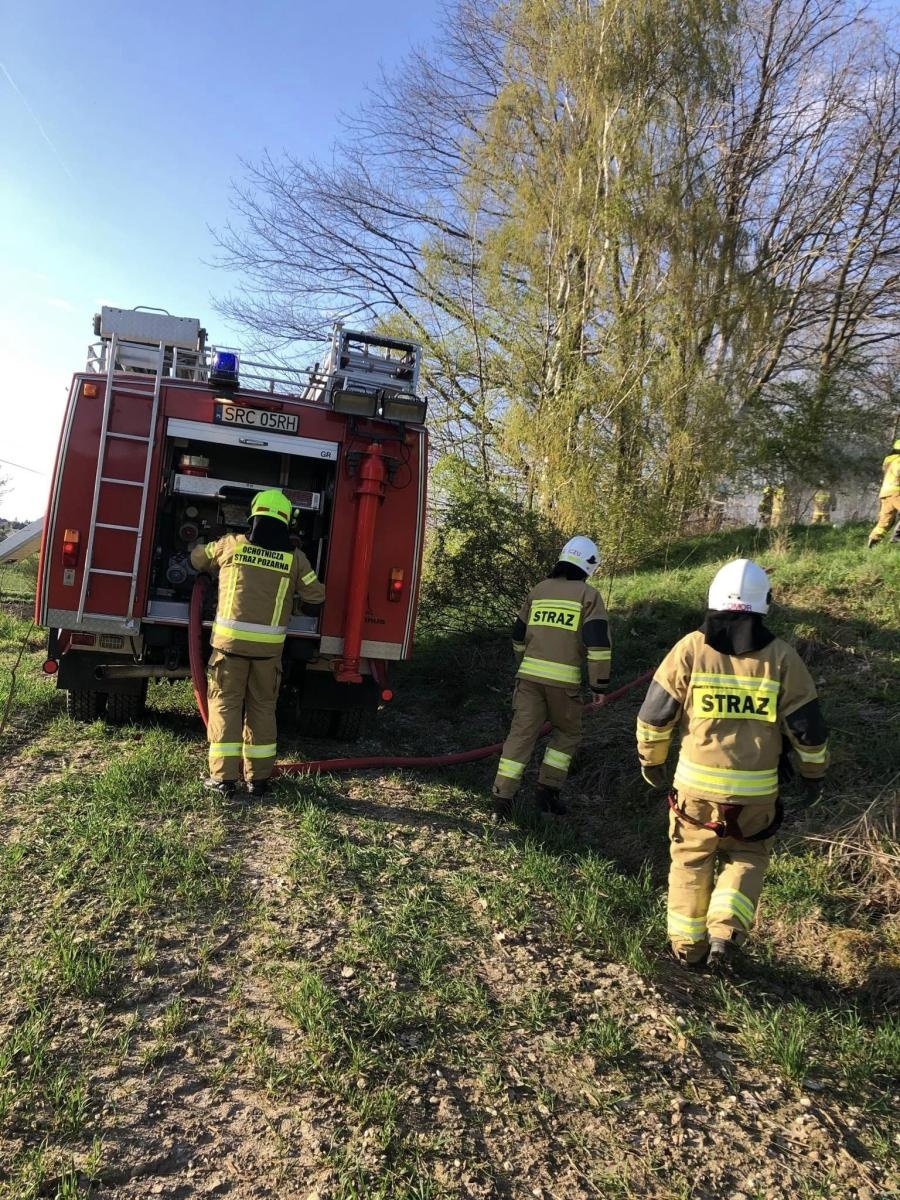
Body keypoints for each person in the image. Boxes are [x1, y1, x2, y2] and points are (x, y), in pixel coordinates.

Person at [635, 559, 828, 969]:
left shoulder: (689, 649)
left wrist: (651, 763)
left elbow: (655, 716)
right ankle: (725, 932)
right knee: (748, 858)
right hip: (756, 795)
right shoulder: (782, 658)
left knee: (691, 860)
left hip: (695, 793)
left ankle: (687, 950)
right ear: (764, 604)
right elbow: (808, 729)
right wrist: (814, 775)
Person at [190, 489, 325, 797]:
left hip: (229, 649)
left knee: (226, 706)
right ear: (287, 521)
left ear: (253, 516)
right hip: (268, 654)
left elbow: (198, 558)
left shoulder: (230, 545)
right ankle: (258, 779)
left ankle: (223, 779)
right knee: (263, 708)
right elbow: (316, 595)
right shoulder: (295, 559)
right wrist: (295, 606)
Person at [492, 536, 612, 820]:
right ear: (589, 565)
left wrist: (523, 667)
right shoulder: (589, 596)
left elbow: (518, 637)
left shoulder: (538, 591)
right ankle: (547, 794)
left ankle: (501, 800)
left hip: (529, 681)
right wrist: (599, 685)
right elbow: (598, 646)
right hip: (564, 685)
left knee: (520, 735)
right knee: (567, 733)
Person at [868, 438, 900, 549]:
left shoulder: (889, 460)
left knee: (885, 522)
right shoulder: (898, 461)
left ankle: (873, 544)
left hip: (886, 493)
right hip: (896, 492)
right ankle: (896, 539)